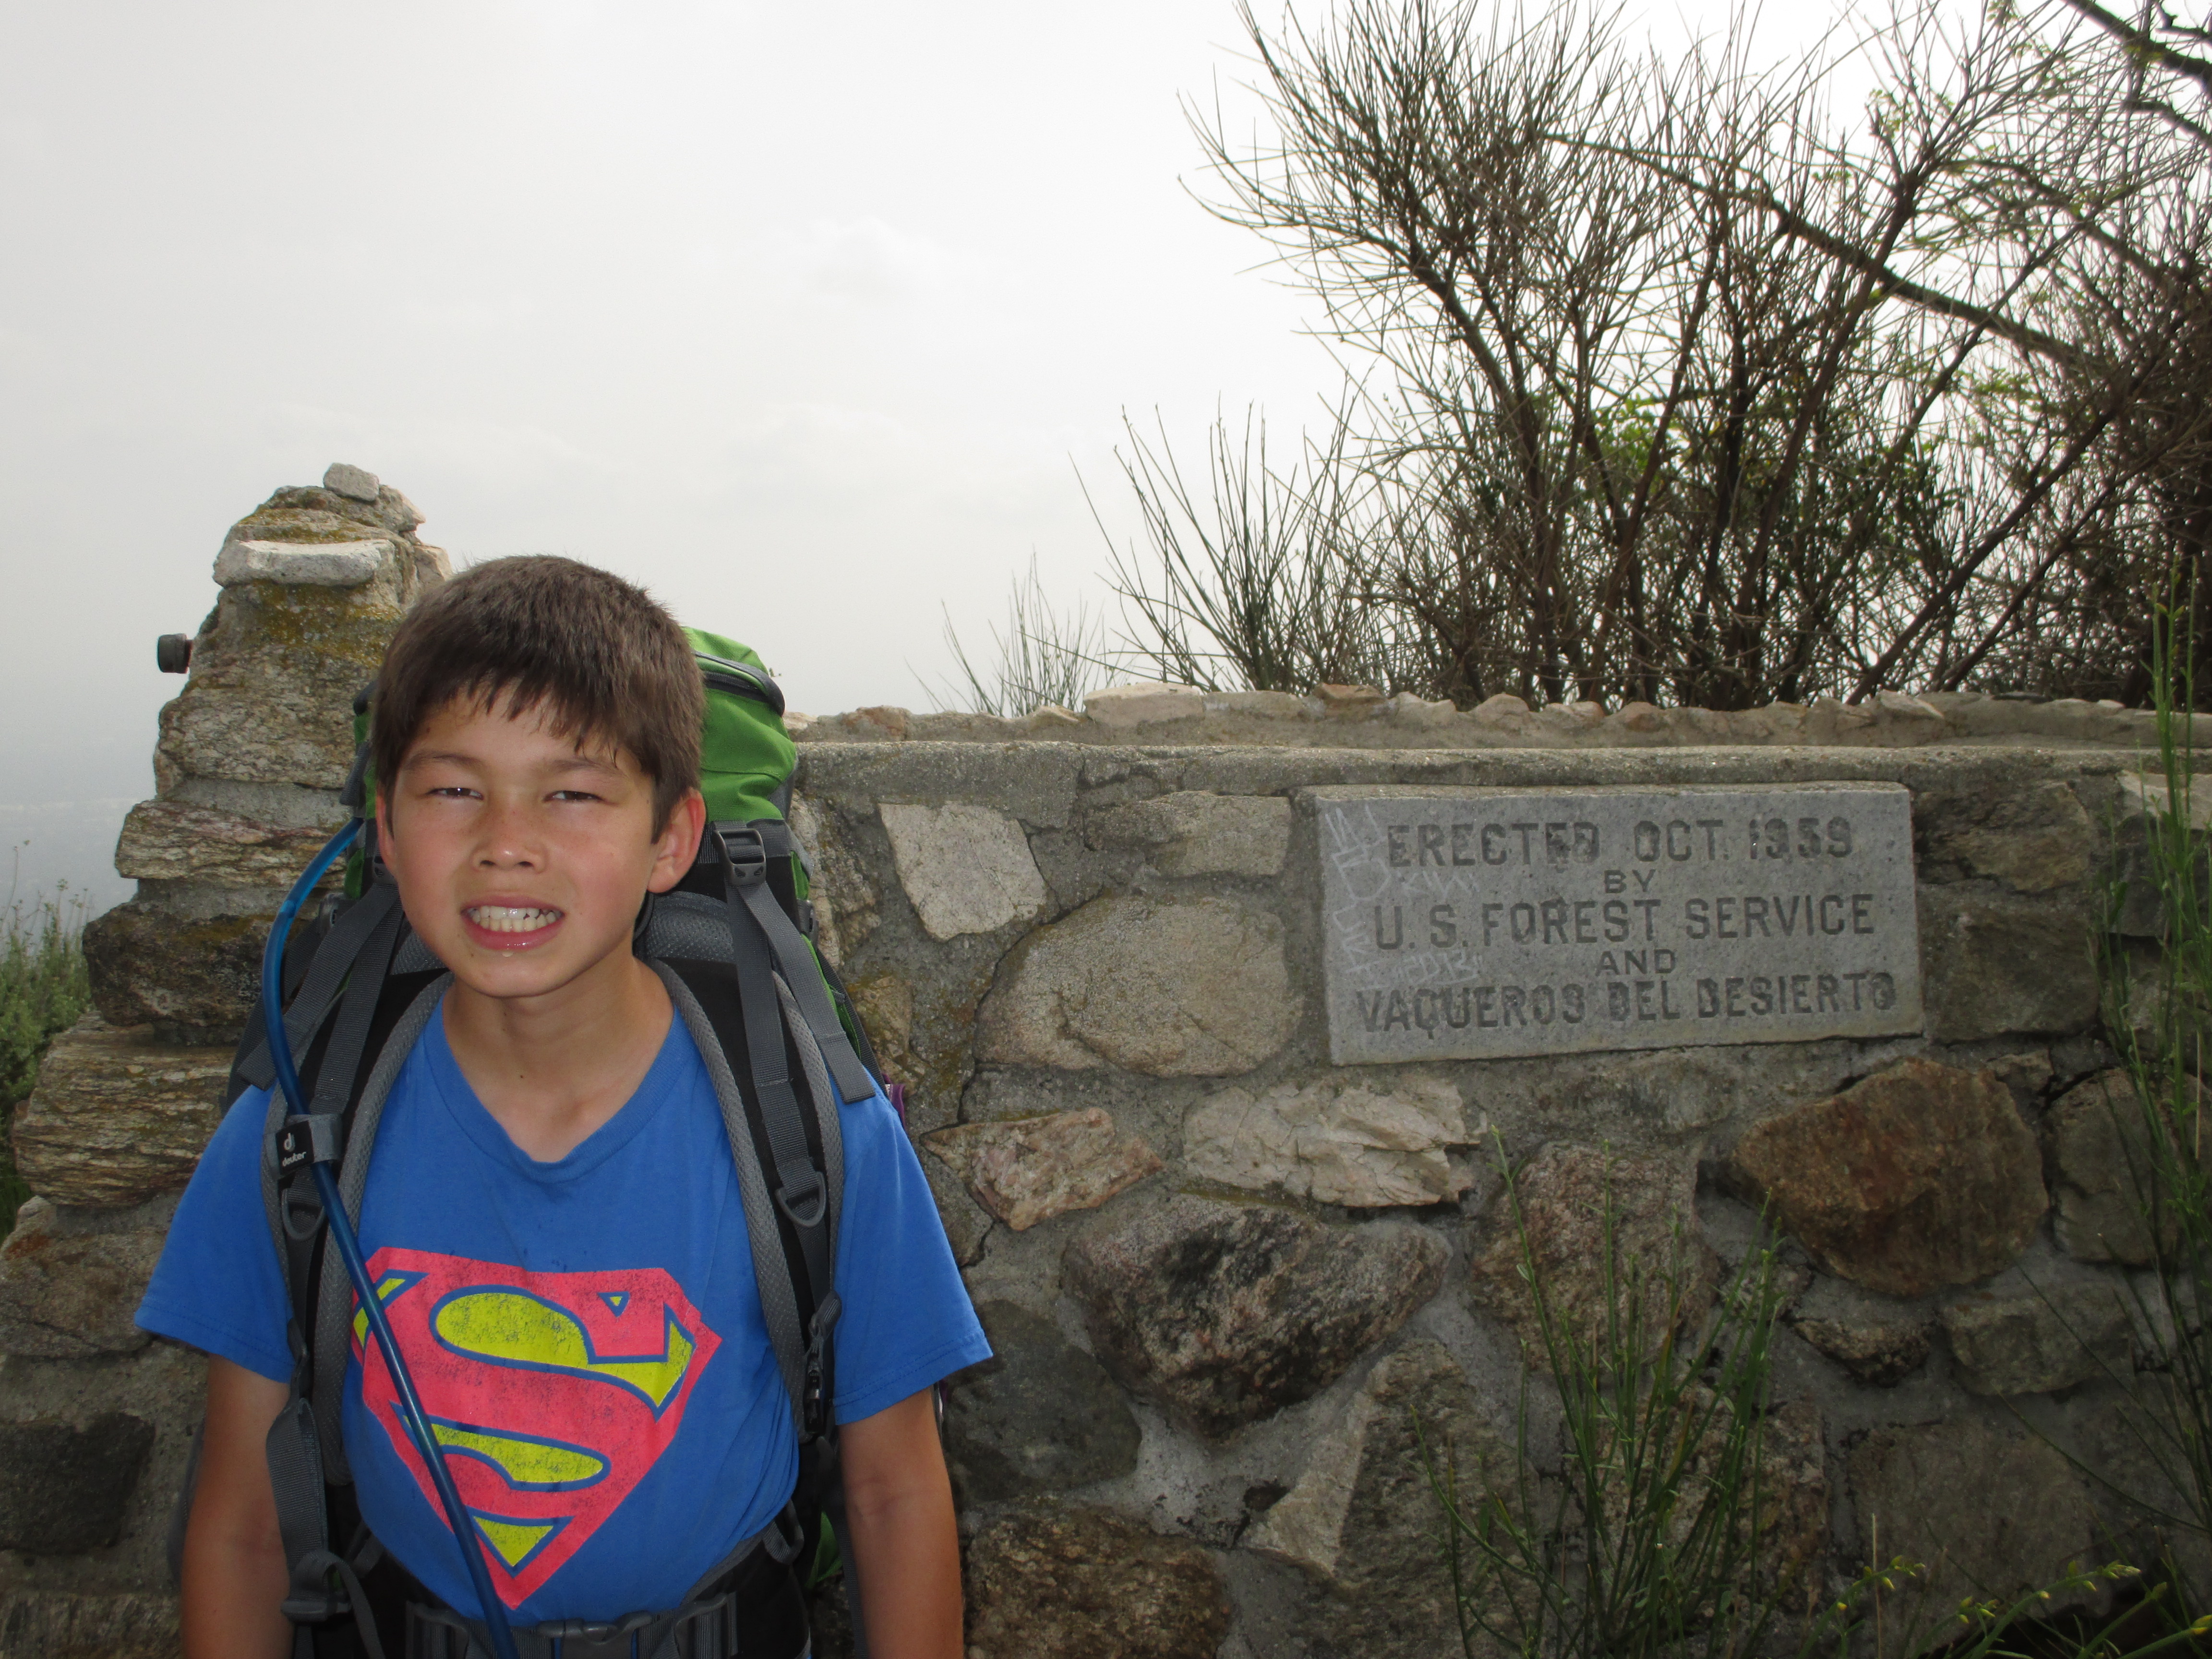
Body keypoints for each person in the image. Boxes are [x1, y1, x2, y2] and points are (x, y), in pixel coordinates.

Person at [137, 556, 988, 1659]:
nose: (507, 842)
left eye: (574, 793)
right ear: (385, 830)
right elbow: (245, 1527)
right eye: (453, 790)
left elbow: (894, 1495)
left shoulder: (816, 1134)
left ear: (671, 839)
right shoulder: (296, 1135)